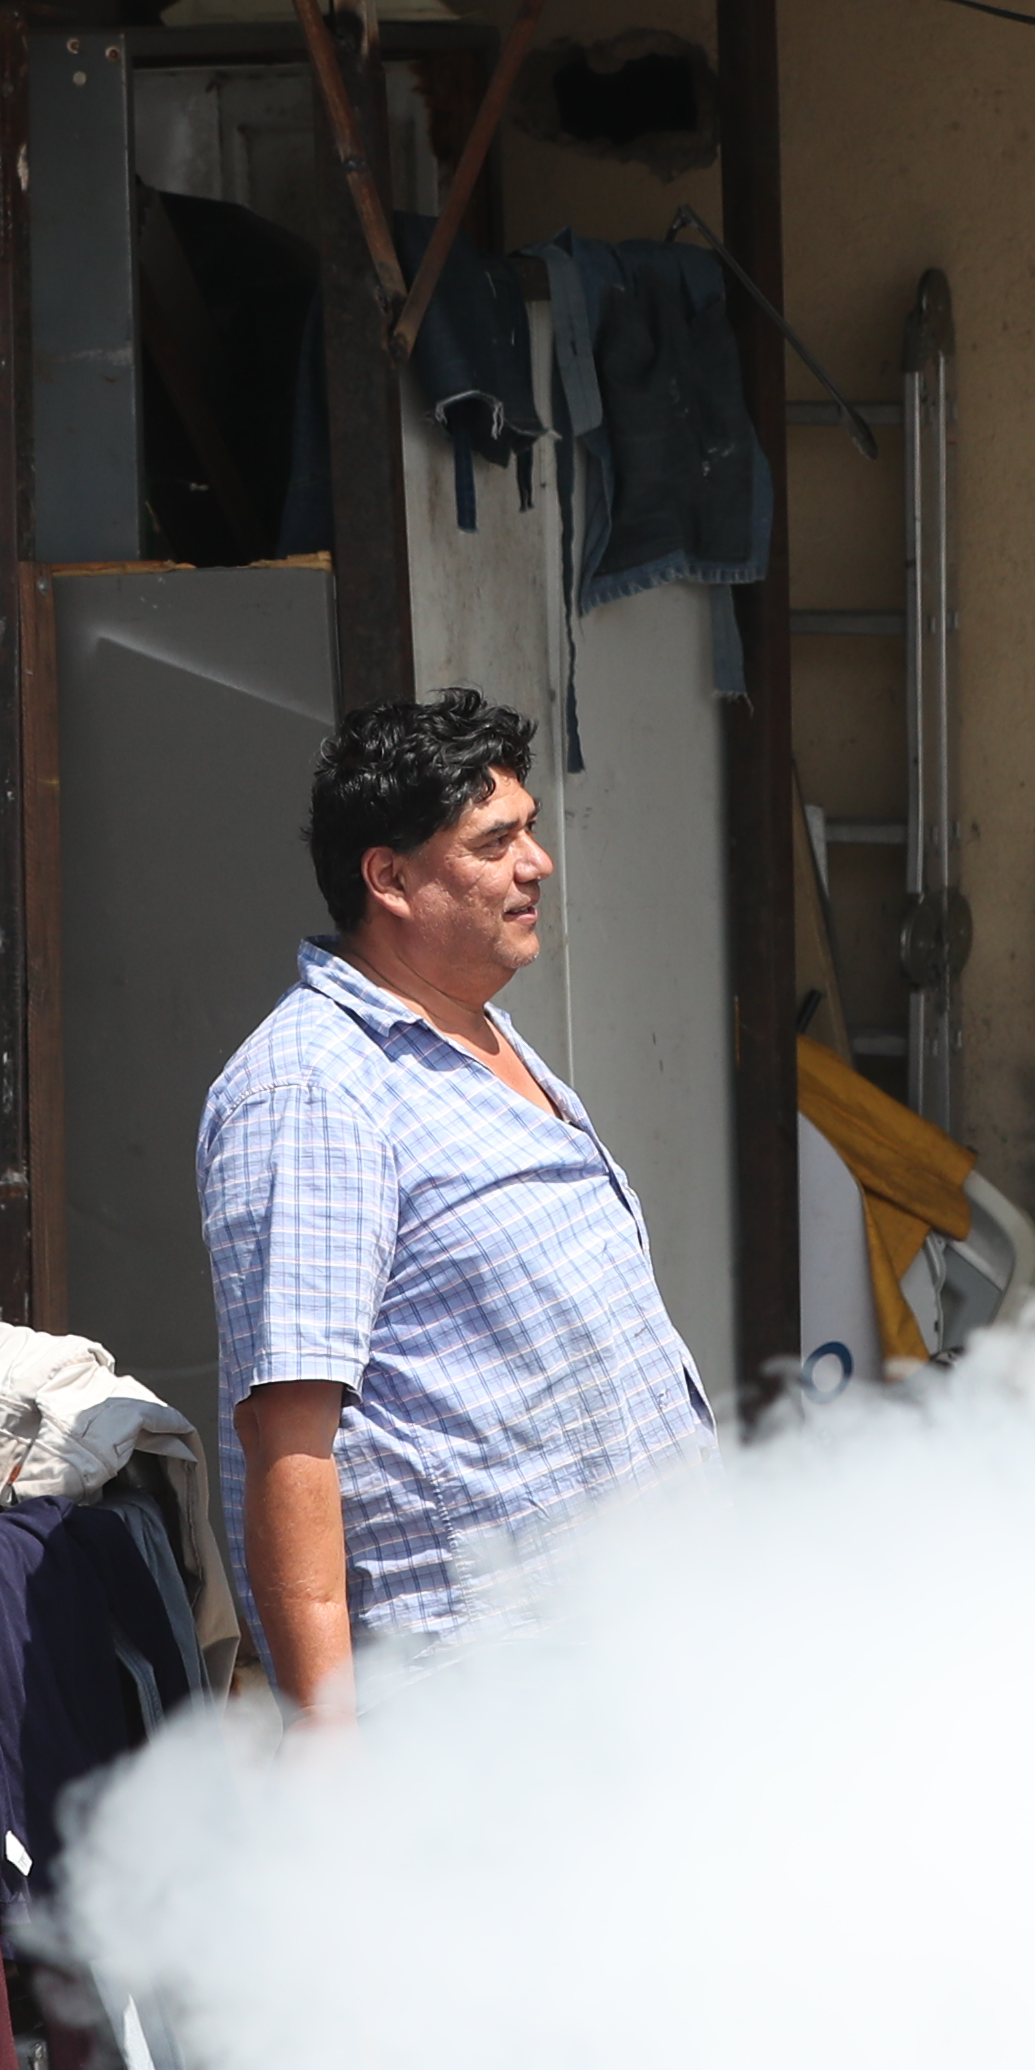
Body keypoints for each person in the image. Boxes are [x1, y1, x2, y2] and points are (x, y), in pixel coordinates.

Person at [195, 689, 712, 1716]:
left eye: (530, 830)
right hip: (492, 1709)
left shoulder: (476, 1033)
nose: (538, 864)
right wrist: (330, 1746)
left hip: (632, 1657)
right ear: (388, 878)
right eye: (495, 841)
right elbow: (286, 1441)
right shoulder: (312, 1089)